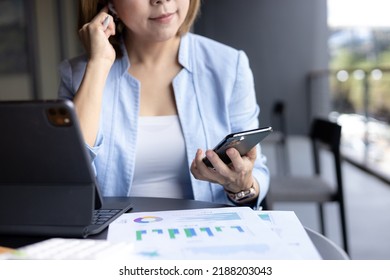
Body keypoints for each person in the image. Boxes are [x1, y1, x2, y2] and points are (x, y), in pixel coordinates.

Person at [58, 0, 270, 209]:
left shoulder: (229, 66)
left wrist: (241, 187)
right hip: (115, 238)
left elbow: (256, 171)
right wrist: (99, 64)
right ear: (110, 4)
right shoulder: (78, 74)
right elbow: (68, 175)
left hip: (207, 235)